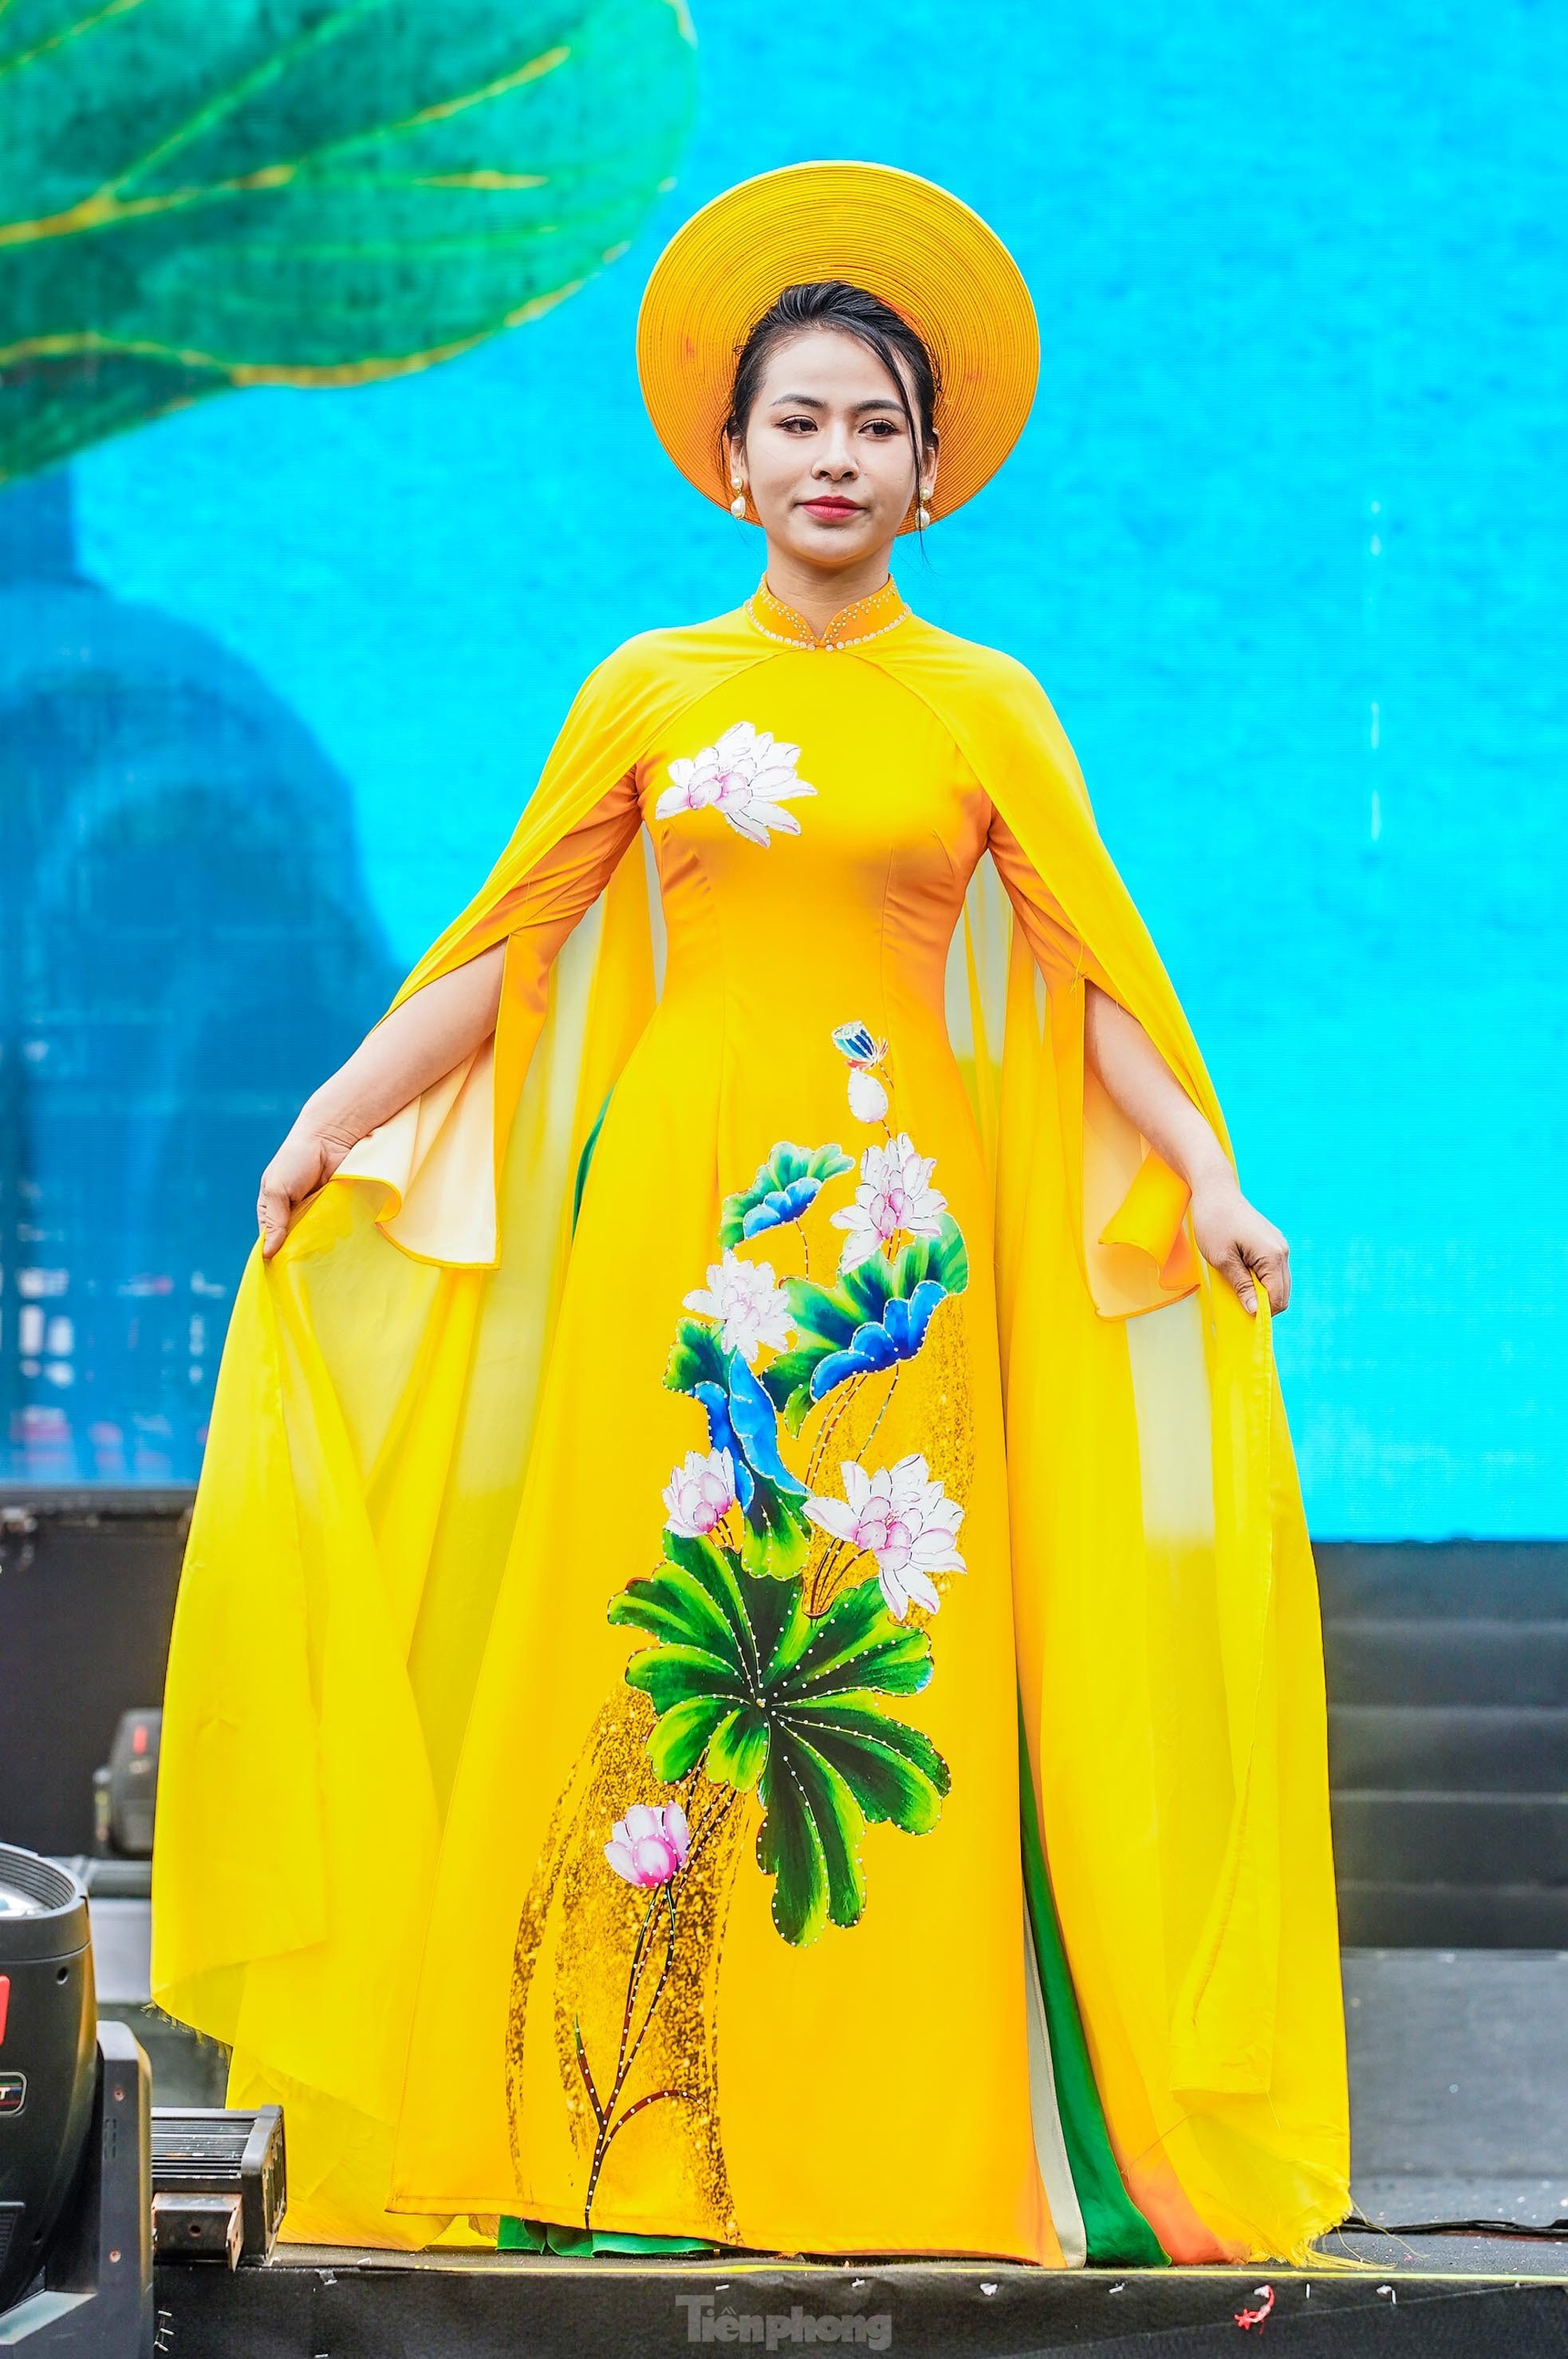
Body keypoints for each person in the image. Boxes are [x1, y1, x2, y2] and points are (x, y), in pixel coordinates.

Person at [151, 162, 1349, 2269]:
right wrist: (331, 1116)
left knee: (881, 1676)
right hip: (677, 1244)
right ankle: (627, 2137)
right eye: (797, 419)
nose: (834, 456)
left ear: (930, 467)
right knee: (661, 1659)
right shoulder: (650, 690)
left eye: (875, 424)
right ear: (728, 458)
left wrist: (1211, 1180)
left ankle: (899, 2149)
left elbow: (1099, 1003)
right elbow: (496, 950)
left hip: (899, 1257)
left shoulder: (989, 711)